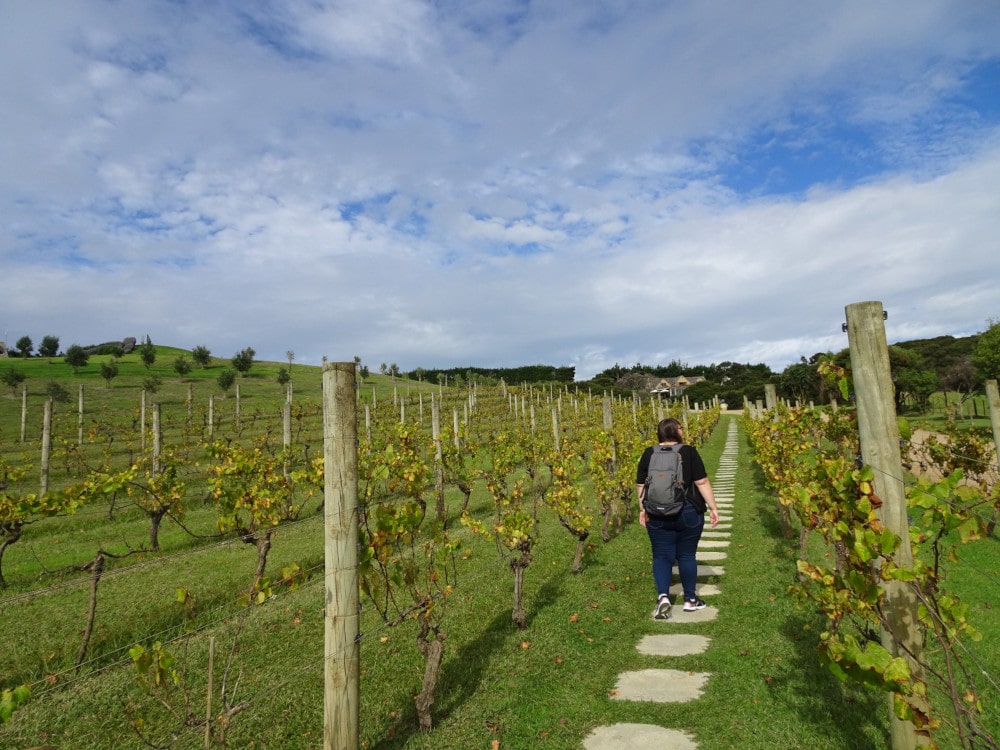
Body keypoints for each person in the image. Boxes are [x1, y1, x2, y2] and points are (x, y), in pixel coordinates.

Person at [636, 417, 719, 619]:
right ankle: (690, 599)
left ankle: (663, 597)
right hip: (687, 511)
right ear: (675, 431)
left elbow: (641, 486)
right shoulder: (688, 451)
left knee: (661, 556)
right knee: (686, 555)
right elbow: (702, 481)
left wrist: (643, 510)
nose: (682, 430)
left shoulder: (649, 453)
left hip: (656, 512)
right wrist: (713, 507)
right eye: (680, 428)